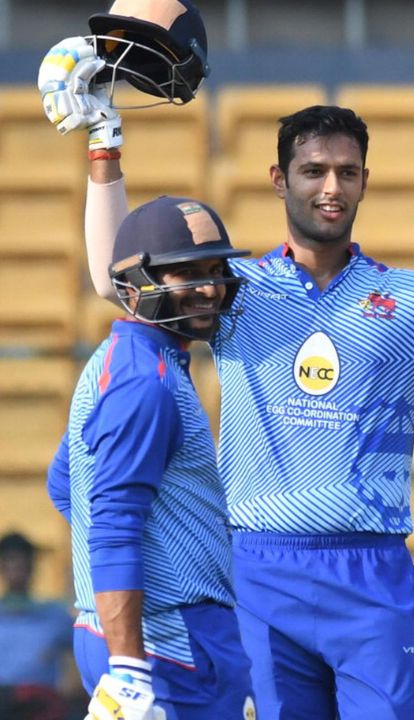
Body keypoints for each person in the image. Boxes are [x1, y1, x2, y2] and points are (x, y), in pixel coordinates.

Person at [45, 30, 414, 720]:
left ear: (366, 180)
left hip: (371, 577)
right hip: (256, 575)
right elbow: (118, 280)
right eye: (313, 171)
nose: (331, 187)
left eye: (347, 171)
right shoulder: (235, 288)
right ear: (279, 180)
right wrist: (104, 146)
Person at [44, 195, 256, 720]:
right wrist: (129, 667)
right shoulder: (146, 380)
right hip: (165, 642)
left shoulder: (118, 359)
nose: (210, 288)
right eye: (188, 273)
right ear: (137, 282)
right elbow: (113, 523)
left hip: (128, 633)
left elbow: (65, 485)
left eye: (216, 270)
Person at [0, 532, 74, 720]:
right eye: (10, 561)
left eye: (23, 562)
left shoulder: (55, 615)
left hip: (41, 706)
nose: (17, 568)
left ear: (32, 566)